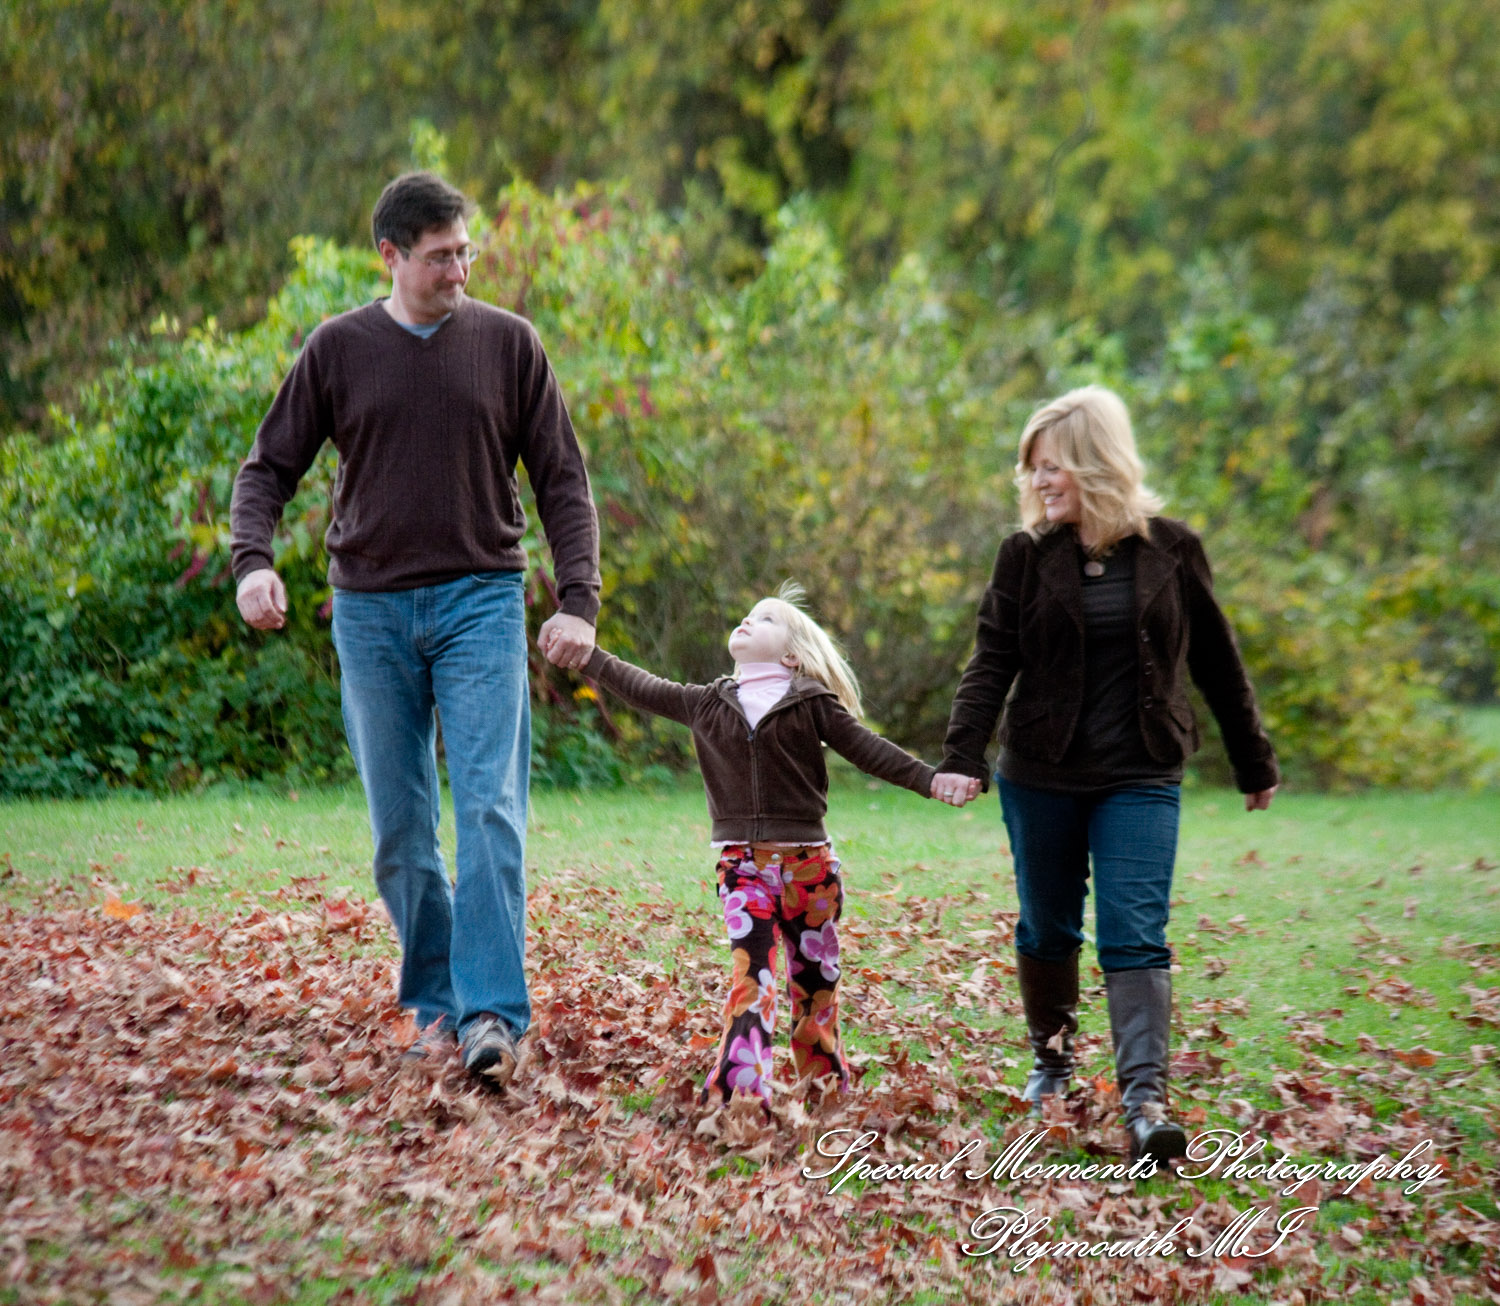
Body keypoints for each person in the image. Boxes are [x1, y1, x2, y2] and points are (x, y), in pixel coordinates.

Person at [230, 171, 601, 1086]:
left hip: (481, 597)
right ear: (390, 256)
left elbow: (562, 480)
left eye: (467, 253)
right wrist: (254, 562)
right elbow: (265, 469)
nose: (460, 271)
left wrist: (579, 600)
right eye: (441, 257)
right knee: (401, 831)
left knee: (488, 810)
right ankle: (435, 1002)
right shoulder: (339, 348)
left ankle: (492, 1017)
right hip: (371, 609)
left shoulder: (510, 345)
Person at [938, 385, 1278, 1162]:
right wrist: (961, 755)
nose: (1037, 483)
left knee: (1135, 929)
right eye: (1031, 470)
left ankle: (1145, 1103)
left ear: (1095, 463)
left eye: (1051, 467)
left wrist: (1254, 759)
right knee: (1048, 924)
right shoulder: (1024, 557)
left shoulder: (1173, 549)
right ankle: (1051, 1061)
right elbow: (991, 660)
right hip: (1041, 773)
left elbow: (1218, 663)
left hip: (1142, 773)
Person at [585, 583, 973, 1104]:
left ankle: (824, 1087)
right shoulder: (706, 703)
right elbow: (643, 686)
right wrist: (589, 655)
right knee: (754, 978)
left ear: (791, 653)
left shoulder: (813, 704)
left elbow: (869, 750)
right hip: (742, 866)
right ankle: (739, 1095)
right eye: (747, 615)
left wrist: (931, 780)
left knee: (816, 985)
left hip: (810, 869)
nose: (748, 620)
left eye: (765, 619)